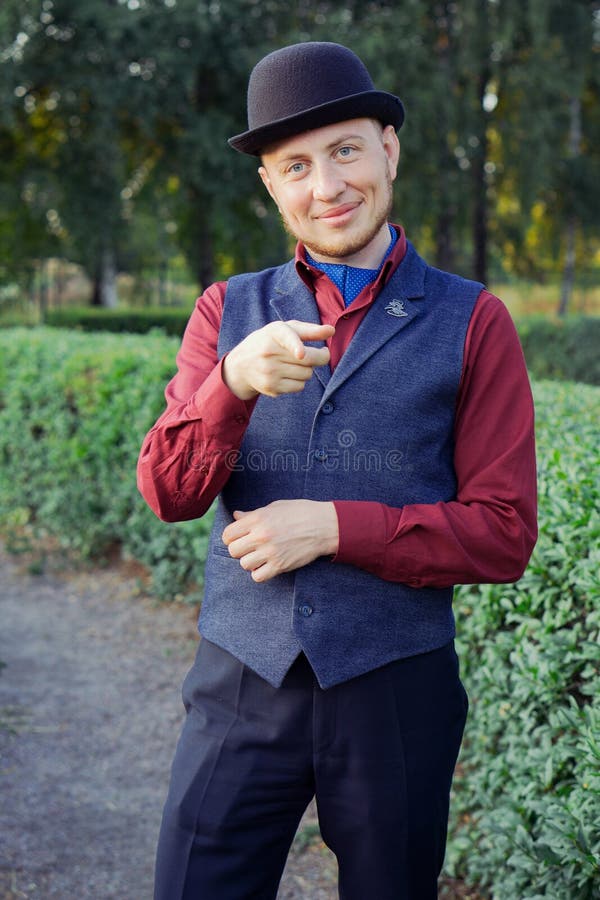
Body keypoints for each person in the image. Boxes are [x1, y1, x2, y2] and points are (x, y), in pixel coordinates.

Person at [137, 41, 537, 900]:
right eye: (296, 166)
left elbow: (504, 536)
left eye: (346, 150)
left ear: (388, 148)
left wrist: (333, 528)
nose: (327, 186)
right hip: (240, 681)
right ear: (270, 185)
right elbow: (169, 492)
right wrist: (230, 384)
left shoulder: (475, 321)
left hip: (397, 691)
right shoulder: (225, 310)